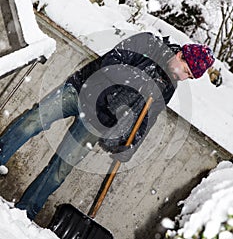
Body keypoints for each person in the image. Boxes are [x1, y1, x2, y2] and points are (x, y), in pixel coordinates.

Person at [0, 32, 215, 220]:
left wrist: (131, 146)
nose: (183, 77)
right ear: (180, 55)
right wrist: (134, 86)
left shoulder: (168, 86)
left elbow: (148, 118)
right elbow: (111, 61)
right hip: (79, 91)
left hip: (98, 121)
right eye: (186, 70)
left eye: (189, 77)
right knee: (30, 123)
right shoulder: (147, 43)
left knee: (60, 168)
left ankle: (25, 212)